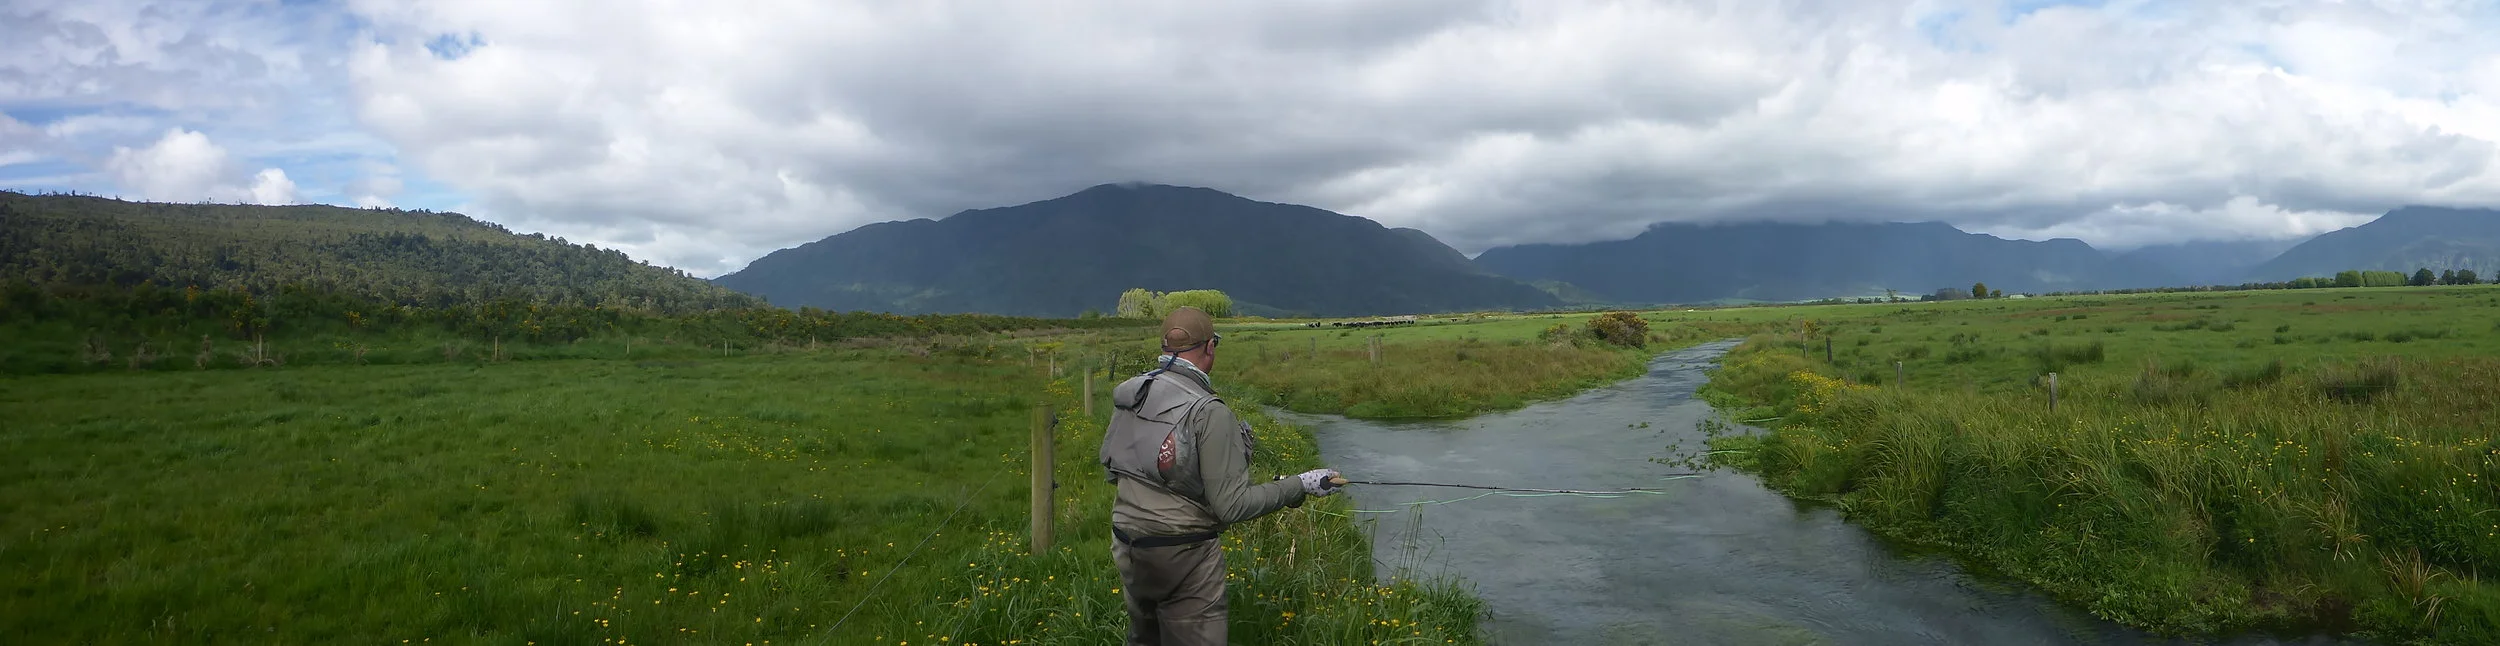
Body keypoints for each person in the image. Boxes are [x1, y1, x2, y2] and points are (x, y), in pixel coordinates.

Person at [1099, 306, 1342, 645]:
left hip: (1127, 544)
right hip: (1185, 553)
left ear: (1165, 347)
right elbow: (1232, 506)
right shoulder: (1209, 411)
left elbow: (1114, 471)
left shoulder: (1135, 393)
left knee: (1144, 639)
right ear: (1210, 347)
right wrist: (1300, 484)